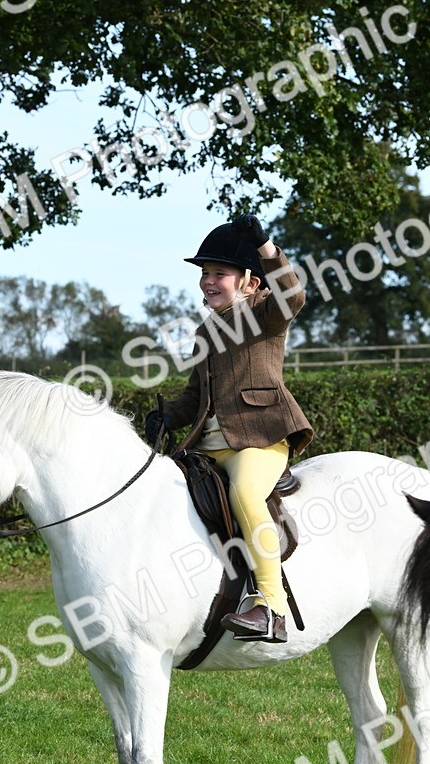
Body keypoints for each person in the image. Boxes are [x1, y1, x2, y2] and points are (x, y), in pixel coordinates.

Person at [145, 215, 313, 643]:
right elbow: (196, 397)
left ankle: (270, 606)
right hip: (208, 446)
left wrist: (267, 248)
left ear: (251, 283)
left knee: (243, 492)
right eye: (204, 273)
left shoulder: (264, 312)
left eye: (219, 273)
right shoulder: (204, 331)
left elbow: (292, 295)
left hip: (260, 439)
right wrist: (169, 416)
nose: (208, 281)